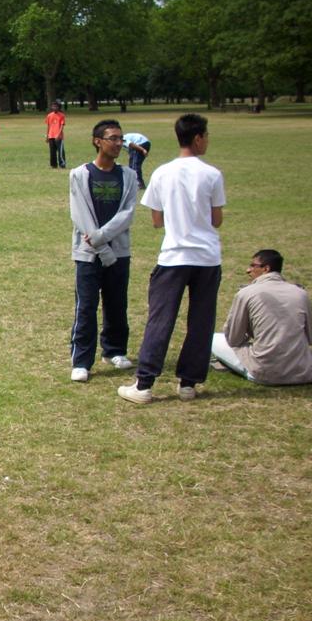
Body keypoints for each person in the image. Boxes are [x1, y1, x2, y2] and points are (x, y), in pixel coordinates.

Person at [119, 113, 225, 404]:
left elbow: (156, 220)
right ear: (198, 137)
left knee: (160, 319)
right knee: (201, 321)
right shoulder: (212, 174)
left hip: (174, 256)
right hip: (206, 258)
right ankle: (188, 384)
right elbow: (216, 219)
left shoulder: (162, 173)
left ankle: (144, 385)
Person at [69, 120, 138, 382]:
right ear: (98, 141)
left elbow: (127, 214)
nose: (119, 143)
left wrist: (103, 239)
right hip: (87, 254)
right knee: (86, 307)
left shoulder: (129, 176)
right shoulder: (80, 174)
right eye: (113, 138)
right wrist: (100, 247)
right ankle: (81, 361)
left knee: (117, 303)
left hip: (119, 252)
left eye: (121, 138)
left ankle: (115, 350)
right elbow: (79, 213)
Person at [211, 250, 312, 385]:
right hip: (305, 372)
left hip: (265, 373)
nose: (248, 270)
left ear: (266, 269)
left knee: (211, 339)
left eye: (253, 265)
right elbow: (310, 338)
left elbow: (233, 339)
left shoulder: (246, 293)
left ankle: (226, 364)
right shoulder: (301, 293)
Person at [45, 101, 67, 169]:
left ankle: (62, 164)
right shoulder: (49, 115)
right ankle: (53, 165)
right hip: (51, 136)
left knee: (60, 152)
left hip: (59, 137)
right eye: (53, 106)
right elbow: (48, 126)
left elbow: (62, 126)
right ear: (51, 107)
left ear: (58, 107)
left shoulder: (62, 115)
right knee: (52, 152)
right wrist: (47, 135)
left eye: (56, 106)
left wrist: (58, 134)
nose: (54, 108)